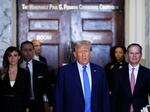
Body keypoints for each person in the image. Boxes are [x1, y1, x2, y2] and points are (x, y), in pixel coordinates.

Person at [55, 40, 110, 112]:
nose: (84, 55)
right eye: (80, 52)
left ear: (90, 53)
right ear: (75, 54)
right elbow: (58, 97)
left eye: (86, 51)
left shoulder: (99, 71)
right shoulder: (64, 72)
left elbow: (105, 97)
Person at [112, 43, 150, 112]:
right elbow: (114, 97)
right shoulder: (118, 73)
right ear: (127, 55)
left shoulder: (147, 73)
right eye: (131, 53)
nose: (134, 56)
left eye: (137, 53)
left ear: (141, 55)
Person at [20, 41, 52, 112]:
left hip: (38, 103)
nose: (28, 53)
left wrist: (51, 103)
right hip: (21, 104)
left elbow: (48, 86)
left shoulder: (41, 66)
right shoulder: (17, 66)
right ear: (21, 51)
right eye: (25, 50)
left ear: (33, 51)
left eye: (30, 50)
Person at [0, 46, 30, 112]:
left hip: (20, 107)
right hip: (4, 106)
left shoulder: (25, 73)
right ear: (7, 58)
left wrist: (27, 108)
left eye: (15, 55)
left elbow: (27, 92)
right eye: (10, 56)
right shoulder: (1, 73)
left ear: (19, 57)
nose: (12, 58)